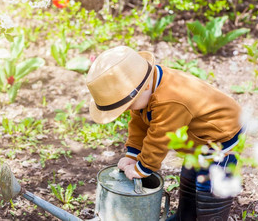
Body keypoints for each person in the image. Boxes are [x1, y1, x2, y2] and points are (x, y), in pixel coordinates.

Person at [86, 46, 242, 221]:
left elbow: (160, 137)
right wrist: (133, 153)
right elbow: (138, 123)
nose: (128, 110)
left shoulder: (170, 100)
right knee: (189, 181)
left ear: (143, 87)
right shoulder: (146, 87)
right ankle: (185, 217)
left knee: (211, 189)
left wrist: (142, 168)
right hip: (198, 140)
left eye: (128, 105)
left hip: (221, 136)